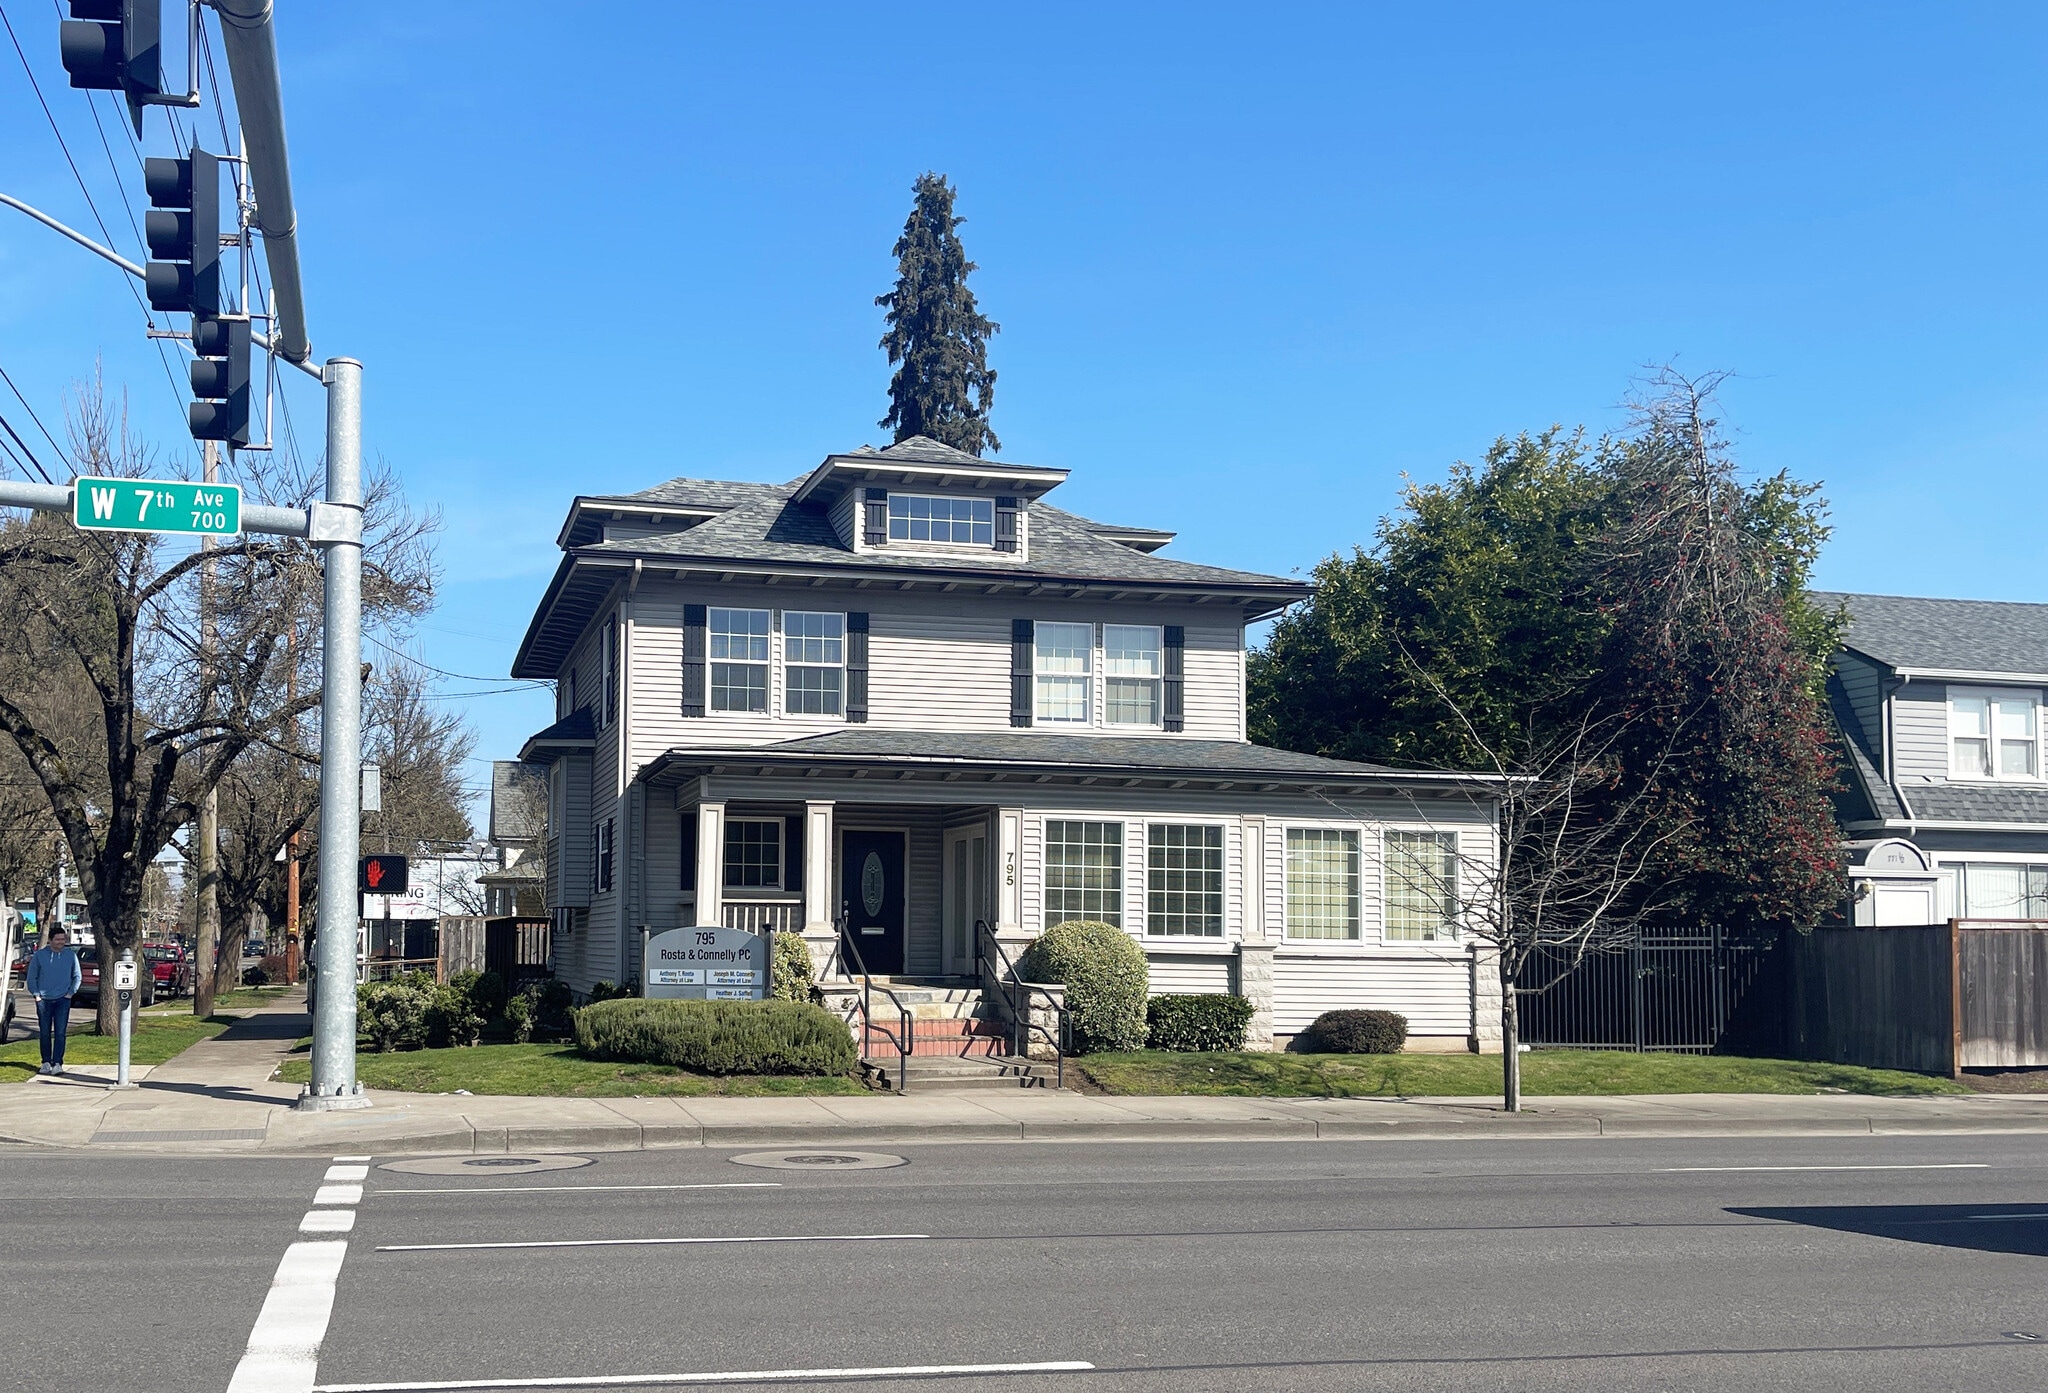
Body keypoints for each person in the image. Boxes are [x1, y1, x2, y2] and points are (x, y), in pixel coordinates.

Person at [27, 927, 81, 1076]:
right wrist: (37, 995)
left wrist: (70, 993)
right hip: (43, 1000)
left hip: (63, 1000)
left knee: (60, 1032)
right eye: (57, 939)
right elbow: (32, 977)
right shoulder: (39, 956)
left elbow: (77, 976)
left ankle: (57, 1063)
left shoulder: (70, 956)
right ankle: (45, 1062)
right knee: (45, 1032)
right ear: (50, 940)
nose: (60, 942)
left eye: (63, 939)